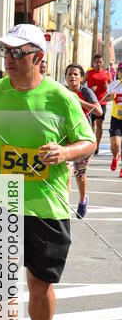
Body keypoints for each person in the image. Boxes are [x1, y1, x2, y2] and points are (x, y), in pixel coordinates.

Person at [0, 24, 96, 320]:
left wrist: (65, 153)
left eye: (16, 54)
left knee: (39, 286)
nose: (8, 60)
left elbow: (87, 141)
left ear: (39, 58)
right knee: (4, 286)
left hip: (48, 204)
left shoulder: (60, 97)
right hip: (3, 197)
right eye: (4, 53)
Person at [63, 63, 101, 218]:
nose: (72, 77)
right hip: (65, 138)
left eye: (75, 74)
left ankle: (82, 199)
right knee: (65, 174)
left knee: (80, 174)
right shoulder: (62, 91)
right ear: (65, 77)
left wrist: (79, 102)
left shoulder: (86, 92)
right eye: (69, 74)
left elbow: (98, 110)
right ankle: (64, 206)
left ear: (82, 77)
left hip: (83, 139)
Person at [86, 54, 112, 154]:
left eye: (100, 62)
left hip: (102, 102)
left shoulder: (107, 74)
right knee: (91, 124)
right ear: (93, 63)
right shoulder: (89, 73)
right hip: (91, 102)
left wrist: (107, 87)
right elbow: (82, 84)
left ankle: (97, 145)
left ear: (103, 62)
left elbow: (111, 87)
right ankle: (93, 143)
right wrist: (89, 90)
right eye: (97, 62)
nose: (99, 64)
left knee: (99, 124)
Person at [103, 61, 122, 175]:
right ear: (118, 72)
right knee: (115, 145)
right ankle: (116, 157)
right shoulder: (114, 85)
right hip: (116, 119)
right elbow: (105, 99)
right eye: (121, 71)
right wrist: (111, 97)